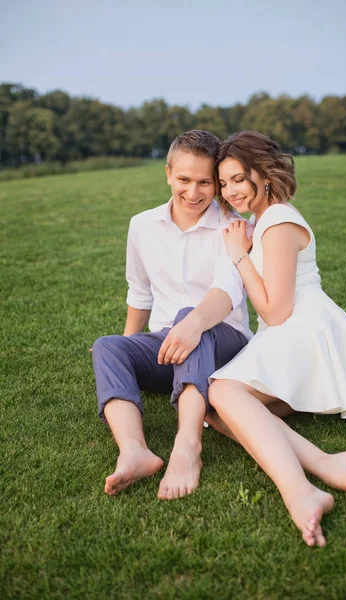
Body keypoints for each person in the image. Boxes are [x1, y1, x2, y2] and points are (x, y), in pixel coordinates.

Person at [209, 131, 346, 547]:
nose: (231, 191)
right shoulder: (265, 219)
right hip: (288, 329)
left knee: (222, 393)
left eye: (239, 178)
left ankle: (299, 490)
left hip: (303, 327)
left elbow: (276, 310)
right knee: (219, 410)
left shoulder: (277, 221)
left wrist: (238, 254)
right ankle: (328, 464)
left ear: (264, 171)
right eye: (224, 183)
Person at [91, 130, 253, 500]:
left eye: (204, 183)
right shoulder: (142, 225)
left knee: (187, 316)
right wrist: (130, 347)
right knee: (108, 347)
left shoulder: (235, 226)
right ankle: (134, 450)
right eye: (183, 179)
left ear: (217, 183)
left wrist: (192, 323)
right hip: (169, 347)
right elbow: (140, 291)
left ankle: (187, 446)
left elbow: (229, 290)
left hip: (224, 345)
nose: (193, 192)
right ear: (167, 173)